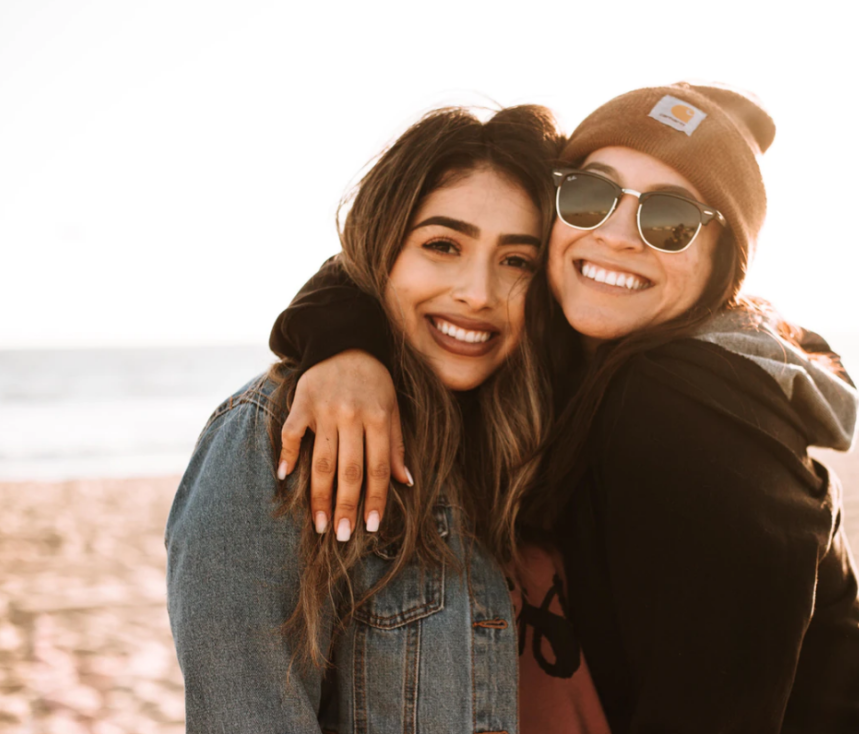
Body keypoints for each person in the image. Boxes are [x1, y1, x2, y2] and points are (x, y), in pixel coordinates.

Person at [267, 82, 859, 733]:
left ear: (723, 262)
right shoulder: (581, 350)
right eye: (590, 195)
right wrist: (346, 346)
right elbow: (389, 252)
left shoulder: (687, 412)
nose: (617, 236)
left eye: (669, 219)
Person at [165, 105, 610, 733]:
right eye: (442, 245)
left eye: (517, 261)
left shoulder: (536, 432)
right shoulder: (279, 437)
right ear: (382, 249)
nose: (478, 293)